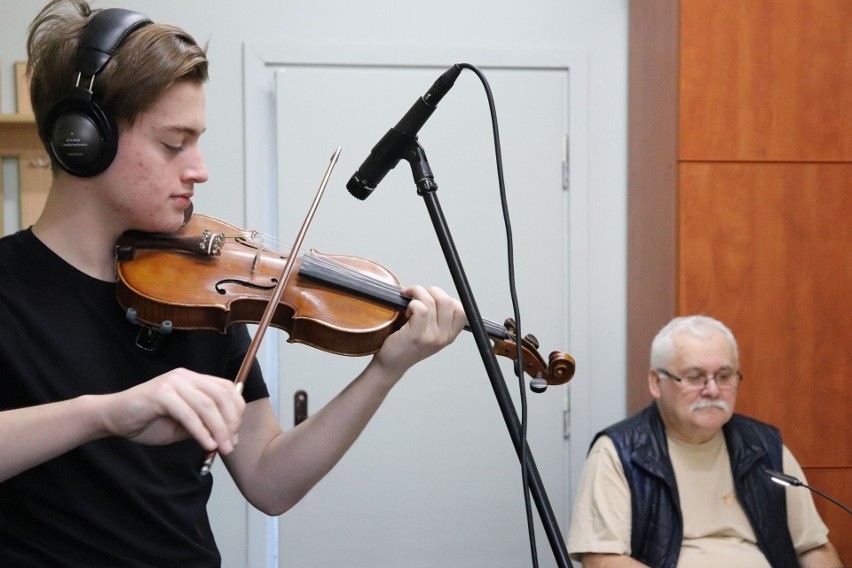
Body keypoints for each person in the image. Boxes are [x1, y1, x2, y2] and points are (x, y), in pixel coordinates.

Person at [0, 1, 467, 566]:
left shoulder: (197, 283)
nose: (199, 168)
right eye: (174, 143)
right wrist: (106, 413)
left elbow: (270, 482)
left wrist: (386, 369)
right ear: (83, 139)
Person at [567, 315, 843, 568]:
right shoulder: (620, 452)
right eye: (695, 377)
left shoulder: (765, 447)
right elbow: (602, 559)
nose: (712, 390)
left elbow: (813, 547)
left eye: (724, 377)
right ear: (655, 382)